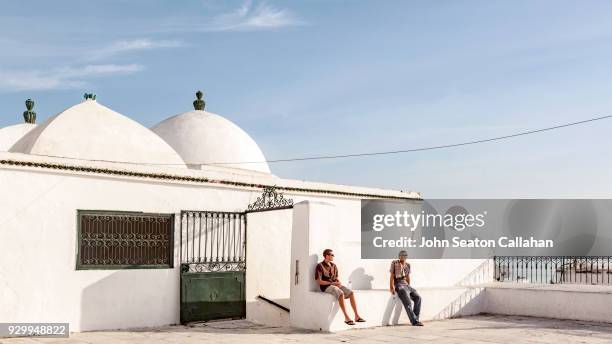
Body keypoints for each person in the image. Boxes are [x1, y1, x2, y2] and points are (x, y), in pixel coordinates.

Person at [315, 248, 365, 325]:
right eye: (332, 255)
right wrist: (332, 283)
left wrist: (338, 282)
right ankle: (346, 317)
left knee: (351, 293)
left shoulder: (334, 266)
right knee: (340, 293)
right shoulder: (319, 266)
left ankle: (357, 316)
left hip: (335, 285)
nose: (333, 256)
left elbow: (336, 277)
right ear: (327, 256)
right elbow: (319, 281)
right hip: (325, 287)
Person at [389, 250, 423, 326]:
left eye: (404, 255)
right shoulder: (394, 263)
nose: (402, 256)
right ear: (399, 256)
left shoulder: (408, 265)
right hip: (398, 284)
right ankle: (414, 321)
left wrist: (409, 287)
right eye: (401, 255)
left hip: (406, 285)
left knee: (418, 298)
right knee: (408, 302)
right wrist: (391, 287)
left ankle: (416, 318)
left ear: (406, 257)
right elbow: (391, 276)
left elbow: (408, 277)